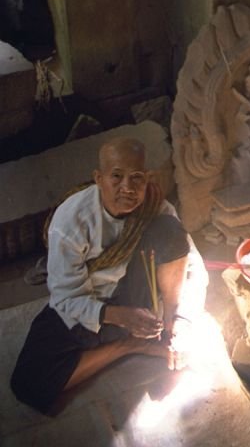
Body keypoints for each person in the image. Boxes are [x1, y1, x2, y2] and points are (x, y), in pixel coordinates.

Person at [11, 136, 202, 414]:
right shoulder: (71, 221)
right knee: (27, 383)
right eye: (117, 176)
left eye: (136, 177)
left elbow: (189, 260)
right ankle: (128, 346)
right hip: (93, 303)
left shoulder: (155, 206)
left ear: (147, 178)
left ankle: (166, 330)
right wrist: (118, 315)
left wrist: (182, 318)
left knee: (171, 233)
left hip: (139, 294)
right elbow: (65, 298)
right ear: (98, 178)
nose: (128, 188)